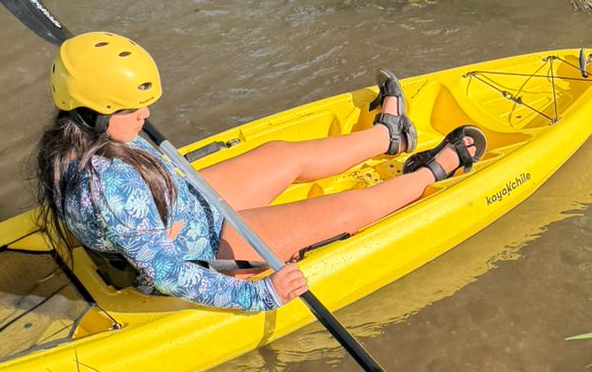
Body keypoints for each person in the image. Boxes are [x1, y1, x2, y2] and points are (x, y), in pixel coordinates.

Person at [35, 32, 486, 312]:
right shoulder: (111, 186)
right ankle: (430, 173)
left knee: (282, 156)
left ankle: (388, 137)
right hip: (205, 252)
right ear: (95, 112)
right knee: (347, 209)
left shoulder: (70, 139)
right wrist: (260, 295)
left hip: (187, 210)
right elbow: (168, 274)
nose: (147, 113)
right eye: (134, 108)